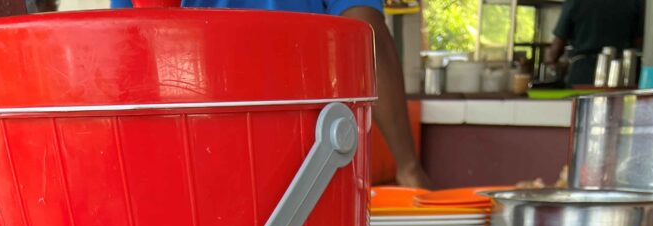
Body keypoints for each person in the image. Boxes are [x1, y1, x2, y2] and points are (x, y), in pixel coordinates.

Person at [111, 0, 429, 188]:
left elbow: (130, 44)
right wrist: (408, 167)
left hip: (191, 144)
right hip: (305, 150)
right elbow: (366, 34)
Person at [546, 0, 645, 87]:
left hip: (582, 74)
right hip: (620, 74)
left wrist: (552, 61)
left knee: (581, 107)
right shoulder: (634, 2)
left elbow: (556, 48)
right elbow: (638, 43)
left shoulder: (575, 2)